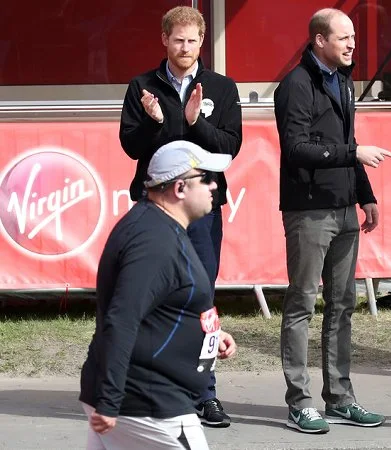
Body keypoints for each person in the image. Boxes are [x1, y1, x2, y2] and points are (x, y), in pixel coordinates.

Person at [274, 8, 391, 434]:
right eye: (343, 38)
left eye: (353, 38)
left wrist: (366, 195)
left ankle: (340, 398)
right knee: (302, 304)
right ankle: (300, 402)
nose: (351, 45)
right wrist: (352, 156)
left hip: (345, 207)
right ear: (319, 40)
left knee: (343, 306)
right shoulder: (295, 84)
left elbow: (348, 142)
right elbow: (296, 149)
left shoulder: (343, 80)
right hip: (309, 210)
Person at [119, 5, 242, 427]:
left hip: (201, 210)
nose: (185, 47)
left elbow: (230, 148)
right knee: (150, 296)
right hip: (155, 210)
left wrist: (194, 122)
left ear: (202, 42)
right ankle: (149, 390)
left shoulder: (221, 88)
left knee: (202, 299)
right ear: (164, 40)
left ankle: (204, 394)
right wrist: (155, 122)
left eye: (192, 41)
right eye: (178, 40)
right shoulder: (143, 87)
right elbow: (132, 147)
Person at [79, 141, 237, 450]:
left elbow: (163, 302)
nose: (214, 185)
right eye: (205, 178)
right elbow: (122, 319)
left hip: (143, 400)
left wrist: (206, 332)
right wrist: (111, 400)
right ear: (180, 187)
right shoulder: (153, 241)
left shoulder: (163, 226)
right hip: (148, 404)